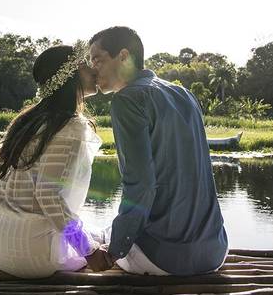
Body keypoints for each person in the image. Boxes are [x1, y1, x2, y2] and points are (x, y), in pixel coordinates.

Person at [87, 26, 228, 276]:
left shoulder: (127, 100)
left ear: (123, 56)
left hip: (165, 260)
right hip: (214, 252)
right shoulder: (184, 93)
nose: (92, 70)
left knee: (96, 236)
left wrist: (112, 252)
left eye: (97, 60)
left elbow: (140, 184)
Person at [0, 43, 110, 278]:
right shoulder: (71, 126)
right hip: (28, 254)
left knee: (92, 231)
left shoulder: (31, 118)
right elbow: (48, 196)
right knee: (104, 239)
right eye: (85, 64)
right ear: (70, 75)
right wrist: (88, 251)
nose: (93, 70)